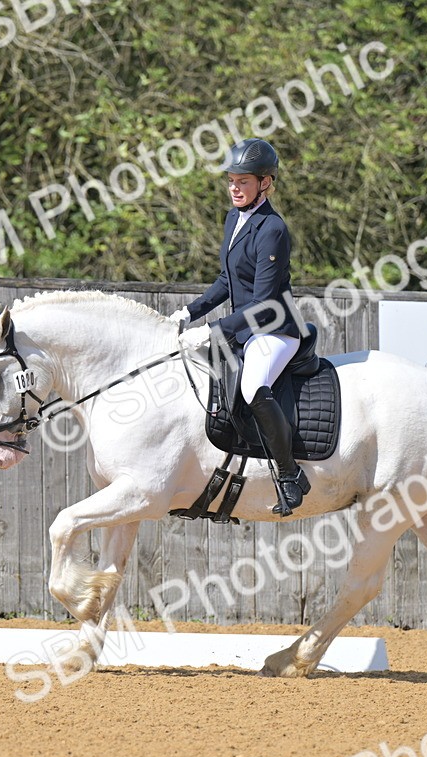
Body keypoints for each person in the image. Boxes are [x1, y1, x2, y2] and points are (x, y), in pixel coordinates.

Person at [170, 138, 311, 515]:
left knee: (252, 386)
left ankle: (289, 474)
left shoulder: (272, 229)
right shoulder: (235, 217)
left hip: (275, 329)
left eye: (243, 182)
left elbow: (264, 304)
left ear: (265, 183)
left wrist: (216, 330)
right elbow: (226, 280)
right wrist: (191, 311)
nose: (234, 188)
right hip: (244, 327)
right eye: (231, 180)